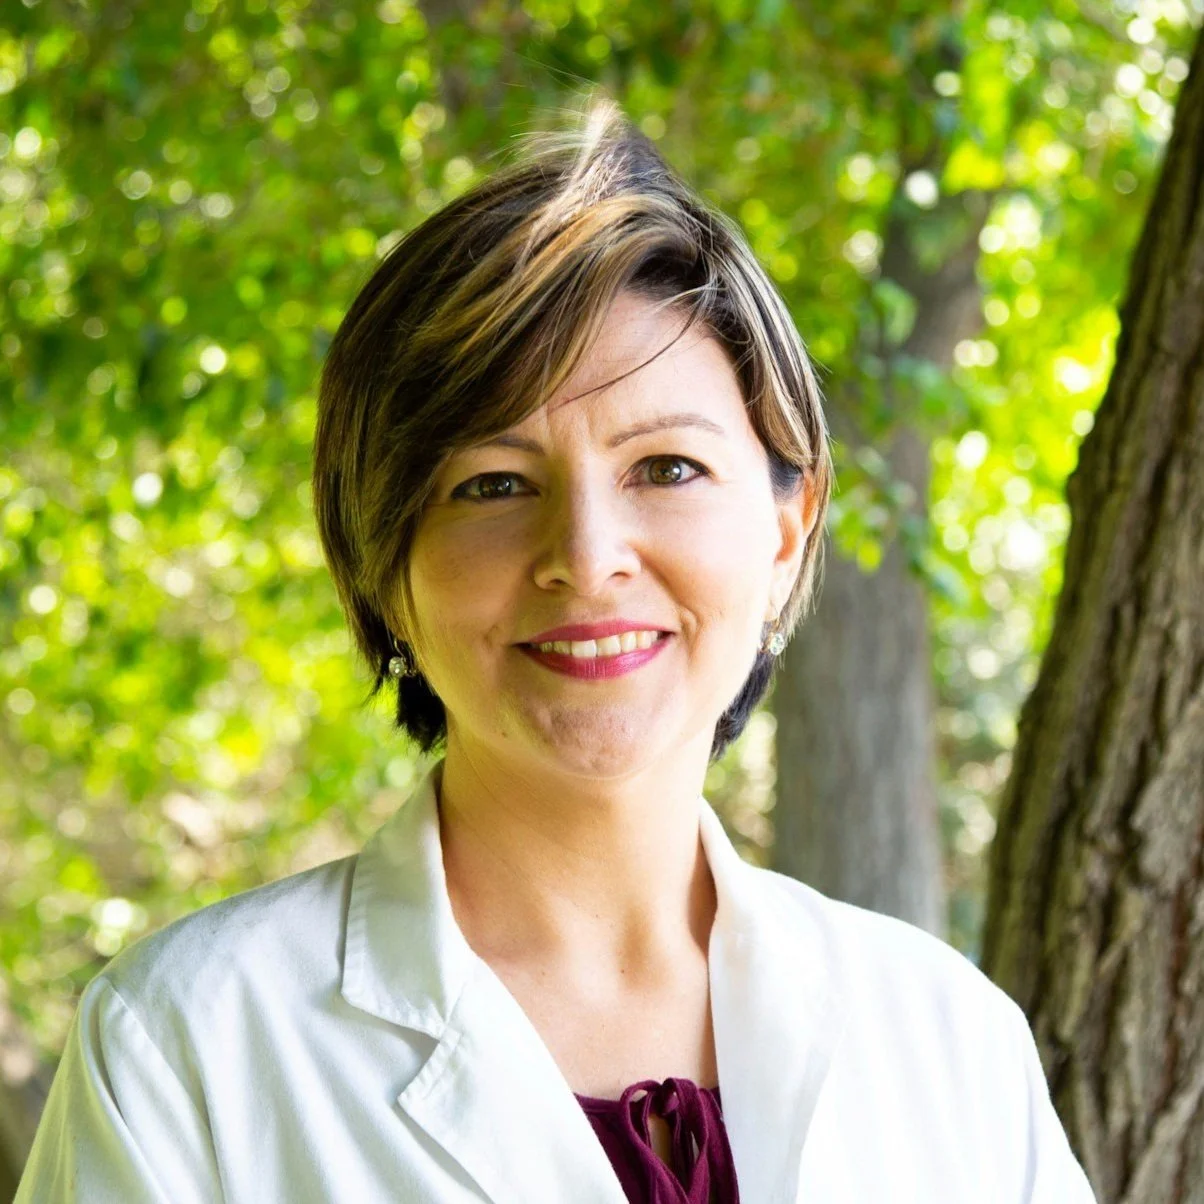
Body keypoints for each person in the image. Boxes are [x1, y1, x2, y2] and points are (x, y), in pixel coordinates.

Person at [15, 93, 1098, 1204]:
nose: (585, 559)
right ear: (385, 569)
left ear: (786, 531)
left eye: (666, 469)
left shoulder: (948, 1041)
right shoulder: (187, 1049)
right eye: (492, 485)